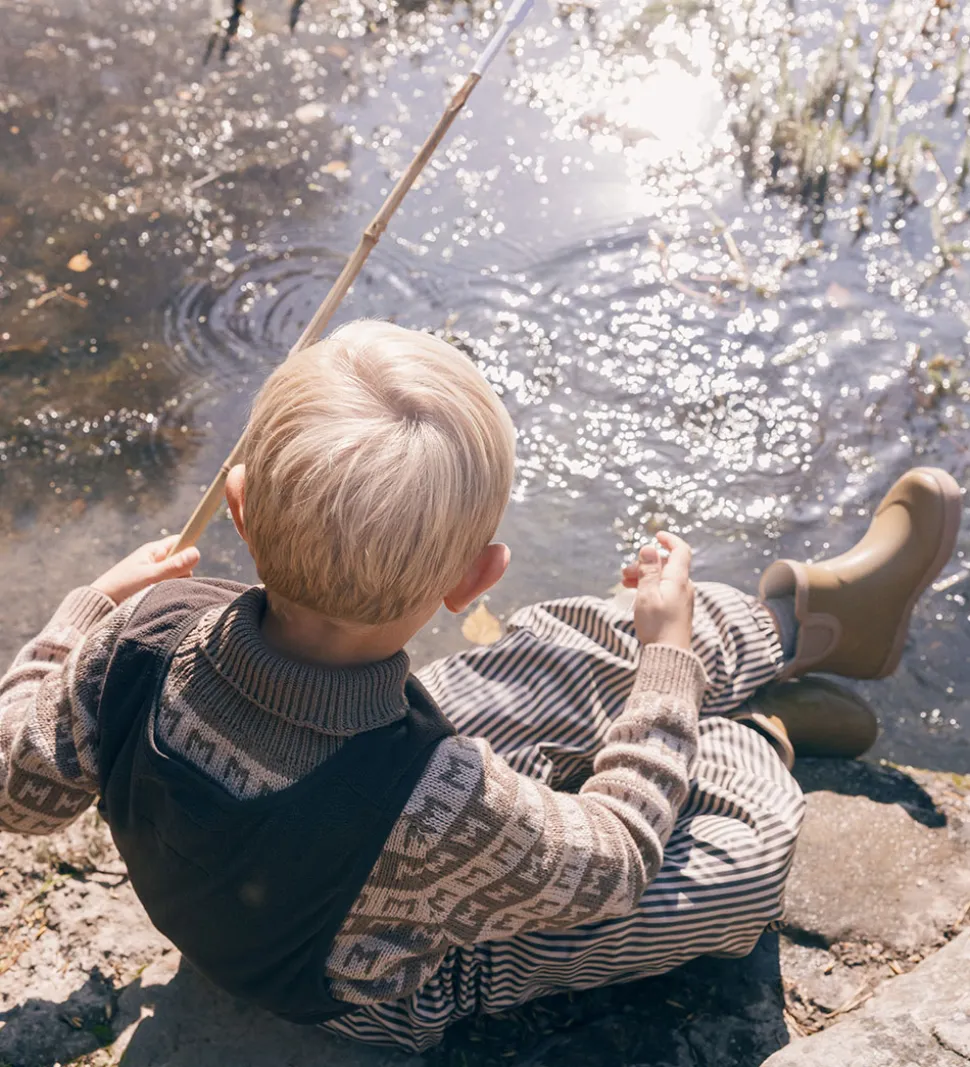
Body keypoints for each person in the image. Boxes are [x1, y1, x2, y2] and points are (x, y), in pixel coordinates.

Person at [0, 321, 961, 1052]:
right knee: (737, 868)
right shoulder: (446, 799)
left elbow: (19, 790)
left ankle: (808, 625)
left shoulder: (135, 637)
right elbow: (616, 860)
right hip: (385, 981)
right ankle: (752, 735)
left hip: (363, 811)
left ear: (240, 511)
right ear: (474, 579)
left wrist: (87, 606)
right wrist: (667, 664)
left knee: (552, 649)